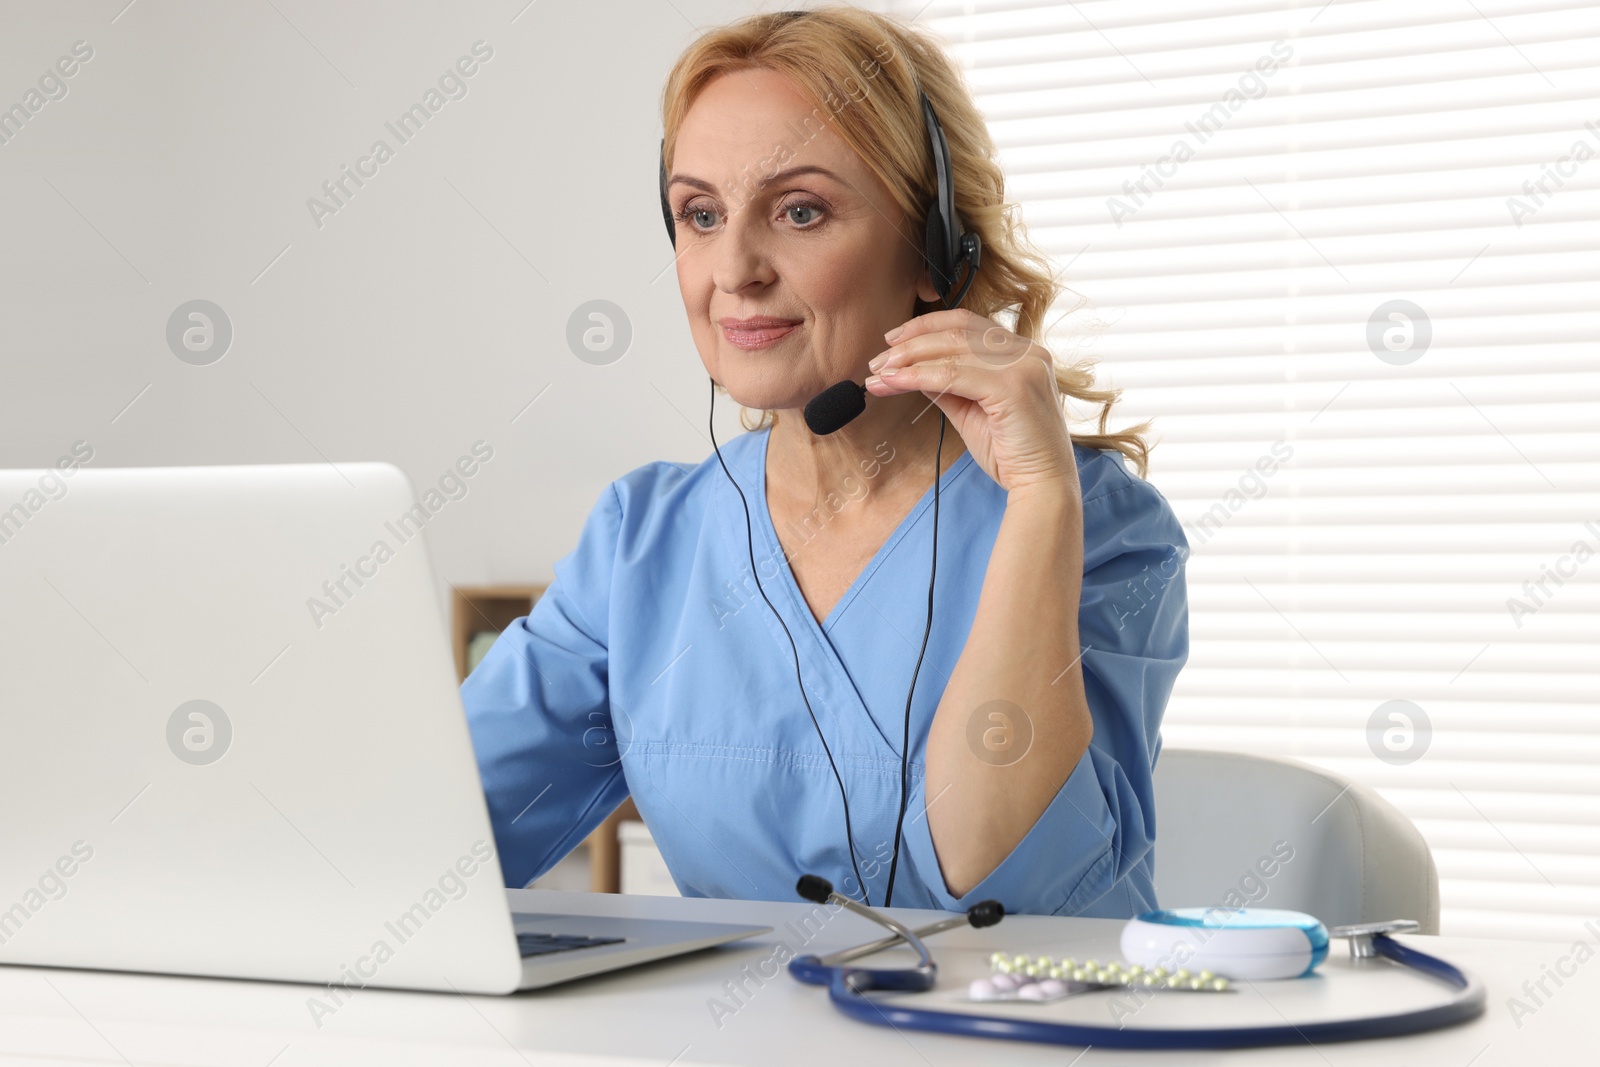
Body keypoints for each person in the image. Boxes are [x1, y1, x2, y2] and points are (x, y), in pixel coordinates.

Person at [461, 6, 1188, 916]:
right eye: (700, 214)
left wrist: (1039, 502)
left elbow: (998, 881)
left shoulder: (1098, 525)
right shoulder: (643, 541)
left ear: (935, 247)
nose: (734, 268)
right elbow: (438, 839)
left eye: (800, 211)